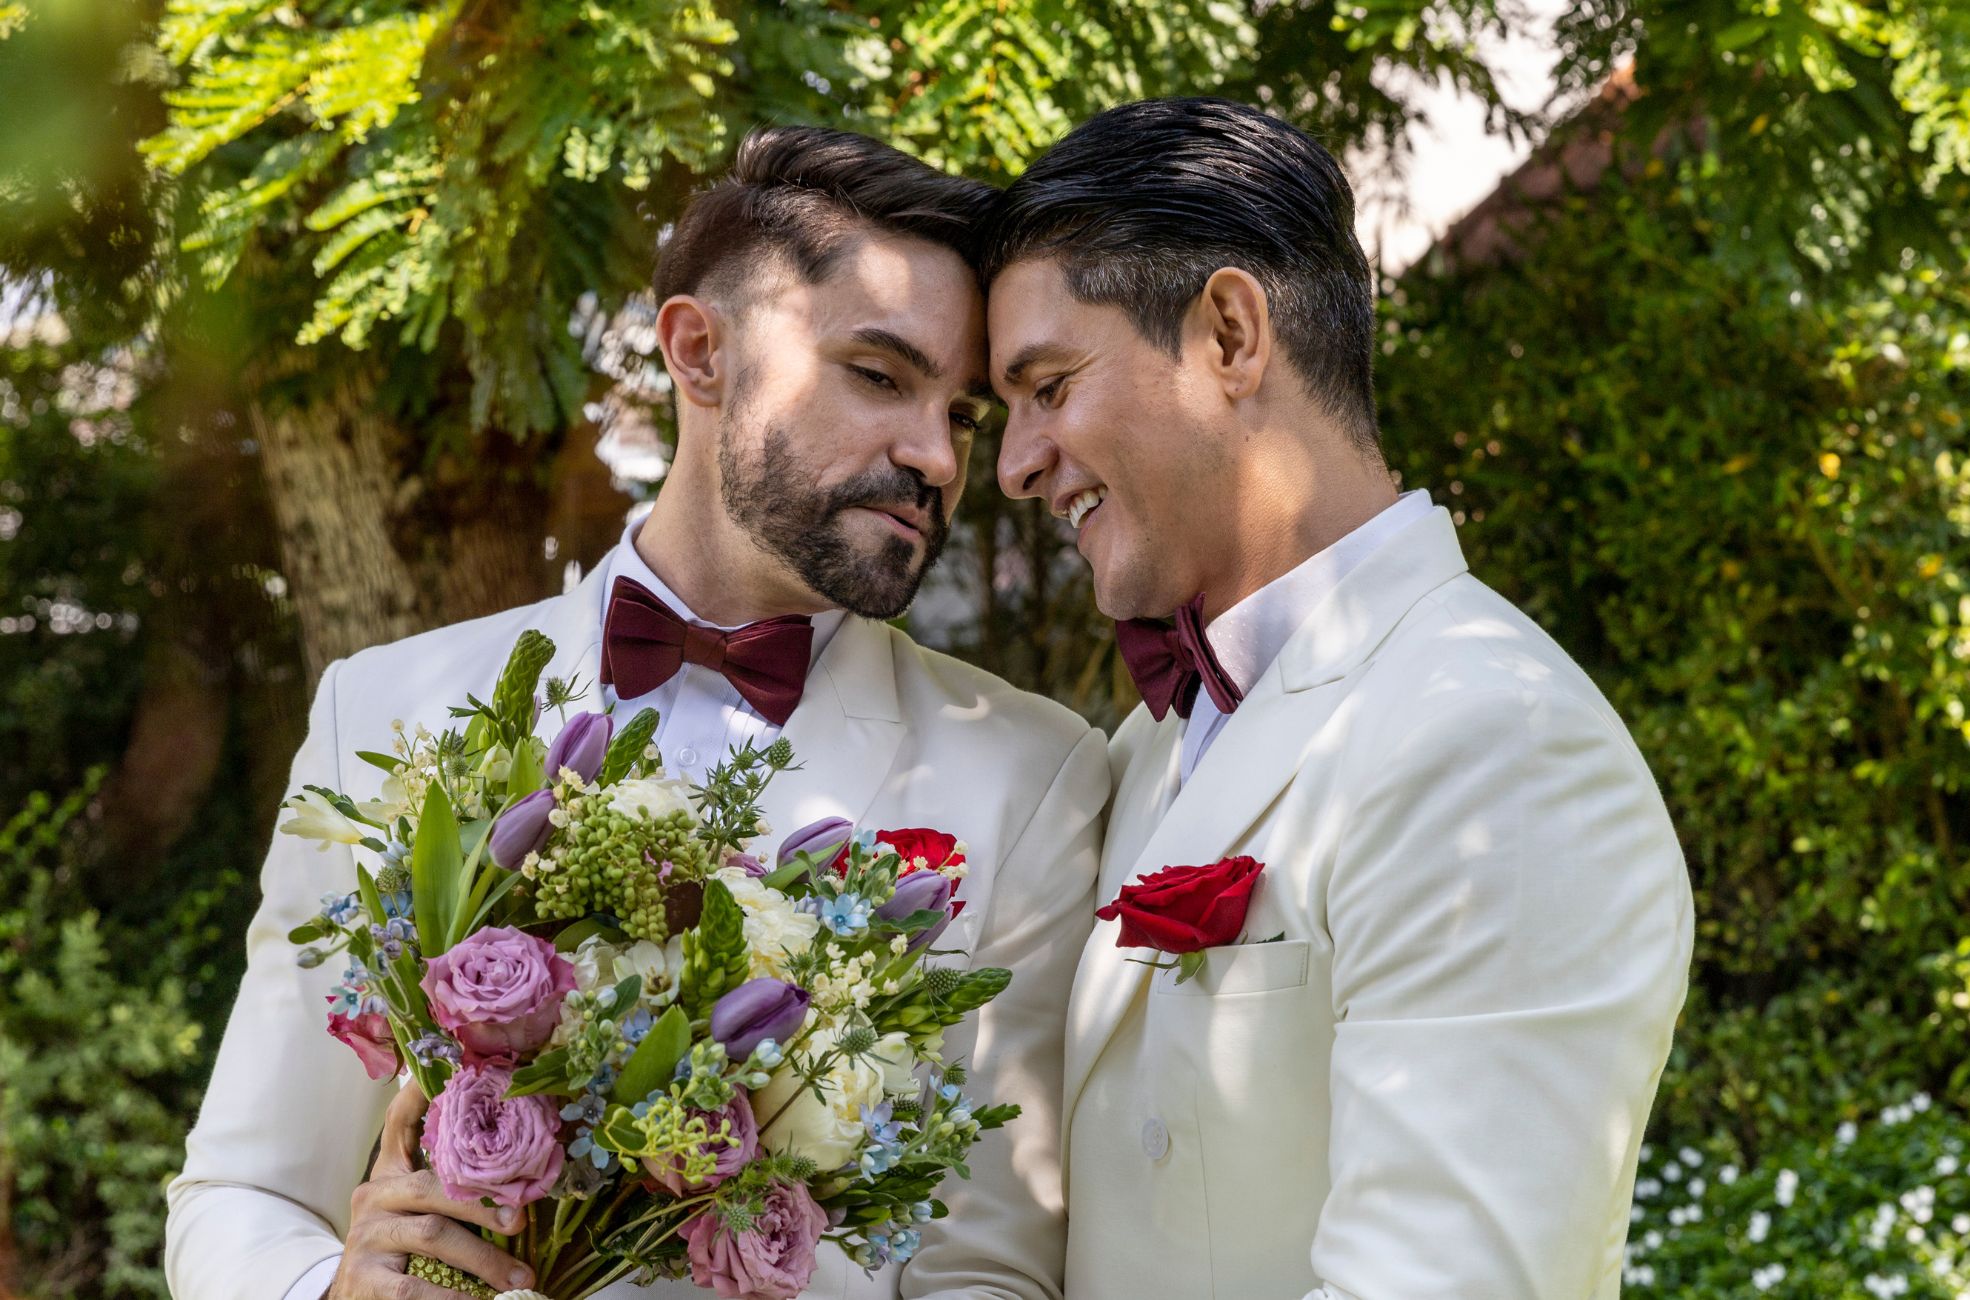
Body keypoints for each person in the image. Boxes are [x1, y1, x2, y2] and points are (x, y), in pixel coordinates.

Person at [165, 125, 1107, 1300]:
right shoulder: (387, 711)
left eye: (961, 415)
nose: (933, 455)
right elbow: (244, 1193)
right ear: (698, 352)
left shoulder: (1032, 774)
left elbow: (992, 1270)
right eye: (877, 375)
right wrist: (329, 1291)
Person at [983, 96, 1694, 1299]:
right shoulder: (1150, 747)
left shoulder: (1494, 744)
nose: (1009, 465)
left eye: (1046, 386)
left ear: (1225, 332)